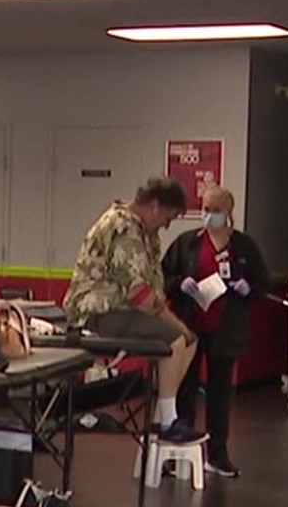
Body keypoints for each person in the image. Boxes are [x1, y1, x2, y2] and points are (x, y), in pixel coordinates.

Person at [64, 178, 201, 442]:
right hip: (99, 312)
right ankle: (168, 422)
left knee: (189, 342)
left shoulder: (144, 232)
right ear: (154, 207)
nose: (166, 226)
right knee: (175, 340)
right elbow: (140, 295)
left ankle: (162, 415)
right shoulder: (124, 228)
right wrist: (178, 325)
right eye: (167, 219)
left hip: (123, 310)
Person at [161, 187, 271, 475]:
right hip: (191, 326)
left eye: (216, 210)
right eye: (206, 208)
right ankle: (179, 452)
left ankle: (217, 454)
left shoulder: (244, 247)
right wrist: (179, 284)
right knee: (185, 389)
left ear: (228, 213)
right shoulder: (187, 243)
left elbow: (262, 283)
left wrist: (248, 289)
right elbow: (163, 276)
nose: (209, 215)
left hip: (226, 328)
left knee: (220, 394)